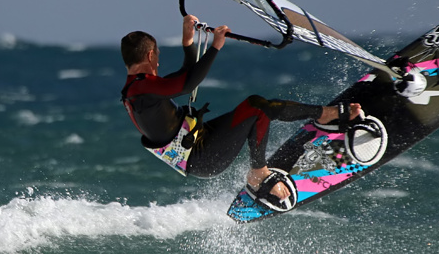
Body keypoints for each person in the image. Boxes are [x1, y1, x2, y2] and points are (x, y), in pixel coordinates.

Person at [120, 14, 360, 210]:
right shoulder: (143, 88)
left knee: (258, 107)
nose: (159, 63)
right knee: (256, 108)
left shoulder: (136, 88)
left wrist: (188, 42)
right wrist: (215, 46)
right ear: (151, 55)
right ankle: (259, 174)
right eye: (158, 56)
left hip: (198, 145)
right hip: (201, 156)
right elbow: (187, 84)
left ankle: (323, 114)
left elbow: (184, 76)